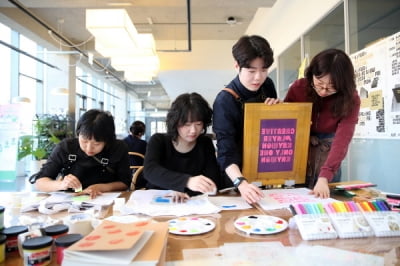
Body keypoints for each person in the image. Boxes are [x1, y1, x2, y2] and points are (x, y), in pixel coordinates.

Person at [284, 48, 360, 199]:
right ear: (311, 73)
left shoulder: (350, 98)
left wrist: (325, 176)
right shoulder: (299, 87)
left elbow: (342, 140)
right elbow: (286, 124)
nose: (324, 91)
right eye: (319, 83)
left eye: (331, 87)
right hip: (300, 150)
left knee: (326, 199)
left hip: (329, 151)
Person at [212, 35, 280, 204]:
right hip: (236, 176)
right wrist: (241, 182)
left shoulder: (267, 85)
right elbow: (225, 153)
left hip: (264, 168)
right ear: (237, 66)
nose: (258, 77)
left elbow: (272, 132)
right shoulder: (224, 101)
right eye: (251, 71)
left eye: (264, 70)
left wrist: (278, 111)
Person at [33, 109, 132, 198]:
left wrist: (101, 187)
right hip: (70, 201)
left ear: (107, 140)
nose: (89, 148)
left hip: (105, 199)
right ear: (78, 133)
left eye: (96, 143)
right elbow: (40, 182)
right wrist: (62, 184)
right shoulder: (66, 147)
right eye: (84, 141)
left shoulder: (118, 148)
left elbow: (125, 182)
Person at [143, 92, 220, 201]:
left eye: (198, 124)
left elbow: (212, 180)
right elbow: (150, 171)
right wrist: (186, 182)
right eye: (187, 124)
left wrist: (185, 191)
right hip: (159, 200)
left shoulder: (205, 143)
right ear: (175, 122)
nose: (193, 130)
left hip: (192, 203)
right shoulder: (159, 140)